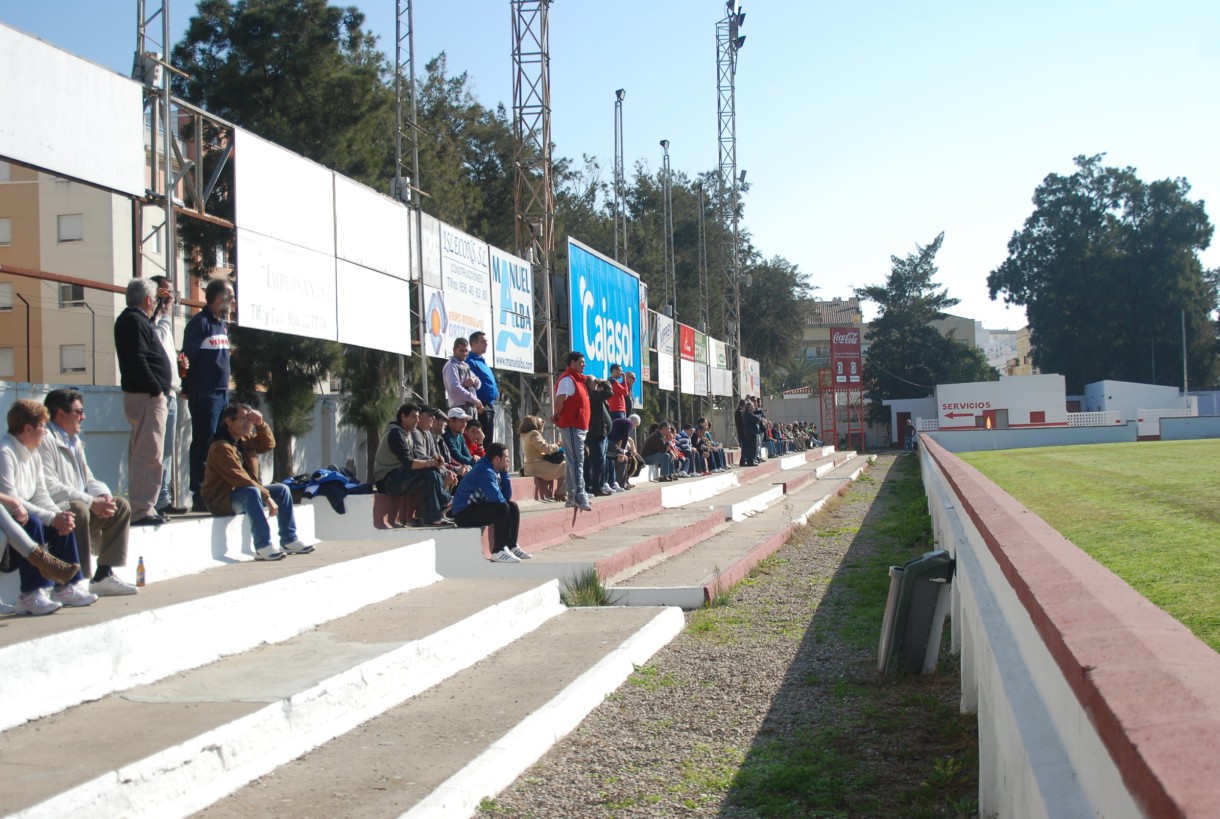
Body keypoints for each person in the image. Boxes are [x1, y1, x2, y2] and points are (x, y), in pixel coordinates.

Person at [0, 399, 96, 615]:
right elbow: (11, 500)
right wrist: (50, 518)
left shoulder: (33, 453)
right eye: (42, 426)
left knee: (62, 516)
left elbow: (40, 494)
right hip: (9, 519)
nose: (45, 432)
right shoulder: (5, 452)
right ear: (27, 428)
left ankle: (66, 587)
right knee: (34, 522)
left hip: (25, 514)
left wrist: (57, 516)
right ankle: (31, 594)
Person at [39, 389, 137, 596]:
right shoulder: (45, 438)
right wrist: (91, 502)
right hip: (54, 508)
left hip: (78, 502)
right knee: (80, 509)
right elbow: (50, 485)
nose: (83, 416)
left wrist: (104, 496)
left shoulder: (73, 440)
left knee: (120, 506)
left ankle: (103, 576)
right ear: (60, 414)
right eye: (79, 411)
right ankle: (76, 580)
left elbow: (88, 478)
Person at [201, 403, 313, 561]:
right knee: (252, 492)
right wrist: (266, 497)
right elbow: (239, 477)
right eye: (243, 419)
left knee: (282, 489)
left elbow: (268, 444)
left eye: (250, 419)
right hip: (222, 500)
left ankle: (289, 539)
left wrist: (261, 424)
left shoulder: (244, 440)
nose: (248, 423)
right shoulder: (220, 447)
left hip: (246, 493)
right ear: (229, 421)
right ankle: (262, 546)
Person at [114, 277, 173, 526]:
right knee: (148, 455)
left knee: (144, 452)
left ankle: (143, 507)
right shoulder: (134, 321)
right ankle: (142, 510)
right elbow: (139, 360)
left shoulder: (131, 320)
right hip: (148, 397)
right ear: (148, 299)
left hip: (143, 395)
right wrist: (157, 390)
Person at [182, 278, 233, 512]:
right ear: (218, 298)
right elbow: (187, 359)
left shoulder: (221, 324)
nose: (232, 302)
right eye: (230, 297)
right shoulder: (199, 323)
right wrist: (188, 386)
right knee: (204, 443)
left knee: (222, 443)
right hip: (204, 394)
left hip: (222, 394)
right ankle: (200, 493)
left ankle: (218, 490)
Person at [371, 403, 452, 528]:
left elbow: (417, 458)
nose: (417, 420)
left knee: (432, 471)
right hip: (387, 480)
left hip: (399, 476)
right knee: (428, 474)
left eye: (418, 417)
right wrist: (431, 462)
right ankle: (441, 508)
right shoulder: (396, 434)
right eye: (414, 417)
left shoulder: (407, 433)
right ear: (403, 417)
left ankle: (439, 510)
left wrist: (434, 461)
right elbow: (409, 463)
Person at [451, 442, 531, 563]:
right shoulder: (484, 470)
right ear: (497, 459)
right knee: (503, 508)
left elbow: (506, 497)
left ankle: (511, 546)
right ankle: (498, 551)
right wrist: (505, 504)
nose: (508, 460)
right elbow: (497, 499)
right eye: (506, 457)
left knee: (512, 506)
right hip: (463, 513)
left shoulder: (494, 469)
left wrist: (505, 473)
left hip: (476, 508)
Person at [149, 275, 187, 516]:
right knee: (155, 451)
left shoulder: (165, 323)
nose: (172, 298)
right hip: (157, 394)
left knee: (168, 451)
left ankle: (163, 498)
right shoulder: (147, 321)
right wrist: (159, 306)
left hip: (171, 393)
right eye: (167, 293)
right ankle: (153, 501)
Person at [552, 351, 591, 511]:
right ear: (572, 363)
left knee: (572, 461)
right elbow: (559, 400)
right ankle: (580, 496)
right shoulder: (568, 380)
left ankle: (572, 495)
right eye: (581, 362)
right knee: (577, 460)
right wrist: (557, 414)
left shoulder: (578, 380)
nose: (584, 365)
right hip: (572, 426)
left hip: (579, 426)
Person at [518, 415, 565, 502]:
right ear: (534, 423)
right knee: (567, 465)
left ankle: (561, 492)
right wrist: (558, 445)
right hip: (537, 465)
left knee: (562, 465)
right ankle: (560, 492)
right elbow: (545, 448)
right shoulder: (534, 434)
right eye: (541, 422)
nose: (543, 424)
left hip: (532, 465)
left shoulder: (525, 435)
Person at [466, 331, 498, 439]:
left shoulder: (482, 361)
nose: (486, 344)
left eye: (486, 342)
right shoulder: (470, 361)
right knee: (482, 440)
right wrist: (477, 403)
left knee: (488, 440)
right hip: (480, 406)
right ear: (474, 344)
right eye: (483, 342)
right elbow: (469, 385)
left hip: (489, 405)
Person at [586, 379, 615, 496]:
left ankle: (599, 485)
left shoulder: (596, 395)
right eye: (594, 381)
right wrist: (603, 382)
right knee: (597, 460)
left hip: (601, 434)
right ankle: (595, 487)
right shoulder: (592, 396)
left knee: (600, 460)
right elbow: (609, 392)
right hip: (595, 434)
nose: (597, 383)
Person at [442, 337, 483, 418]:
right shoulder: (451, 365)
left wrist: (474, 380)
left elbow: (479, 384)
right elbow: (454, 387)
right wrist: (474, 400)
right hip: (460, 408)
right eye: (461, 351)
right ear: (454, 350)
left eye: (466, 351)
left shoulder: (465, 365)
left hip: (471, 407)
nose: (464, 353)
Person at [440, 407, 476, 477]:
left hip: (459, 468)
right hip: (449, 470)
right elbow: (457, 456)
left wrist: (474, 460)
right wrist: (475, 462)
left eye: (465, 421)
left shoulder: (460, 436)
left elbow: (467, 454)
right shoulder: (445, 435)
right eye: (461, 421)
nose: (464, 424)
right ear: (450, 421)